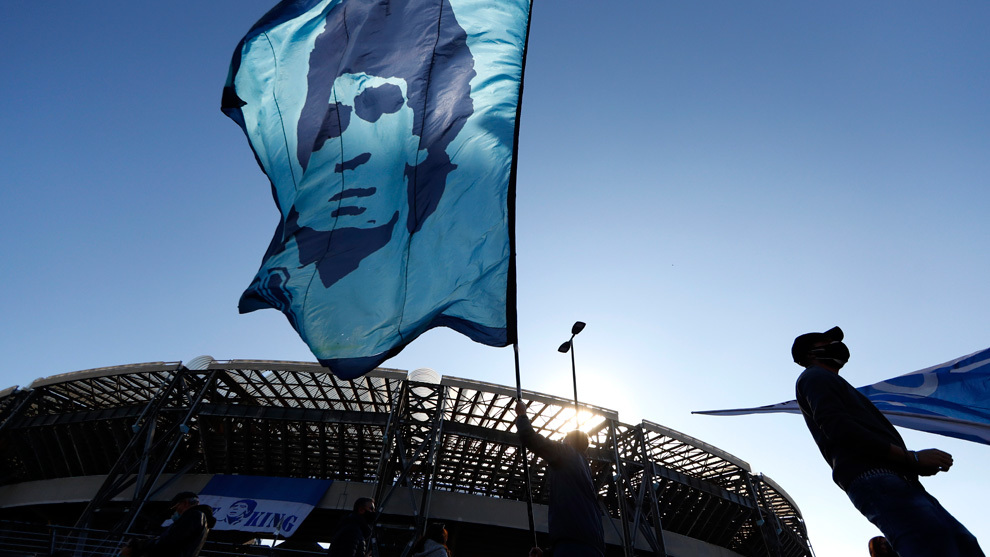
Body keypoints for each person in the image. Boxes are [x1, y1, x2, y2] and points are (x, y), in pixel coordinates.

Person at [793, 326, 984, 557]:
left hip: (897, 478)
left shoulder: (834, 383)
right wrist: (911, 458)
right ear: (810, 354)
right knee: (933, 544)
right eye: (826, 342)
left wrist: (910, 464)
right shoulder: (814, 376)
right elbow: (840, 429)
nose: (836, 346)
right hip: (874, 476)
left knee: (960, 544)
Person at [513, 400, 605, 557]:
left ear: (568, 442)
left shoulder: (567, 454)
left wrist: (522, 415)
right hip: (593, 548)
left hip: (571, 548)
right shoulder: (585, 471)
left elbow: (532, 439)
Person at [120, 491, 216, 557]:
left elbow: (170, 541)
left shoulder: (193, 515)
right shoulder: (200, 520)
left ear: (185, 503)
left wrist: (140, 544)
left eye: (176, 507)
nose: (175, 511)